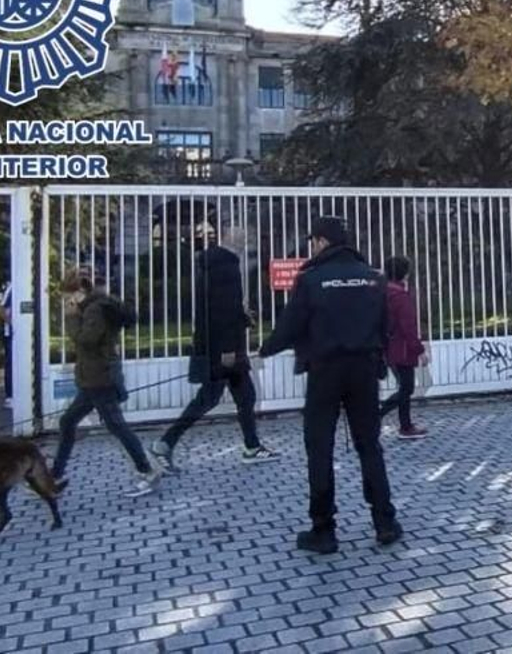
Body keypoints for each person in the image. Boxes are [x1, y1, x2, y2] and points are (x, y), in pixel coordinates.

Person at [258, 216, 400, 554]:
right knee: (370, 446)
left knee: (319, 447)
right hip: (364, 370)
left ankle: (324, 529)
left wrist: (263, 350)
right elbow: (386, 327)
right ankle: (384, 522)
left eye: (313, 241)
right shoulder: (374, 277)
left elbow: (291, 326)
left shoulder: (311, 278)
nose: (312, 247)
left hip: (325, 372)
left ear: (322, 241)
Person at [151, 230, 279, 470]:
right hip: (226, 350)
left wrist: (241, 318)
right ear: (236, 243)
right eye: (245, 242)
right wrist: (229, 349)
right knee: (214, 399)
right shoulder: (227, 268)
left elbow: (217, 310)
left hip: (214, 345)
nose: (245, 248)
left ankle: (251, 446)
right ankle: (164, 444)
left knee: (235, 397)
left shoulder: (209, 265)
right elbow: (223, 314)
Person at [51, 268, 161, 497]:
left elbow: (87, 340)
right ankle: (54, 476)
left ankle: (147, 470)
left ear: (79, 290)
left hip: (100, 378)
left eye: (68, 297)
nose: (67, 302)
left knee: (116, 426)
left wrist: (71, 318)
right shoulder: (97, 306)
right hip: (94, 377)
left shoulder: (95, 309)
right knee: (68, 421)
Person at [378, 256, 430, 439]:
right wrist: (420, 350)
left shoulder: (382, 292)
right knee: (406, 388)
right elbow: (408, 327)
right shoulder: (400, 296)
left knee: (404, 387)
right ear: (404, 273)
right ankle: (390, 420)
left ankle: (404, 425)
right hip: (402, 348)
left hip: (386, 346)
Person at [0, 282, 12, 409]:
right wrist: (13, 324)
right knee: (11, 363)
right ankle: (10, 396)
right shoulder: (11, 287)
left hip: (17, 332)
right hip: (11, 334)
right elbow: (1, 309)